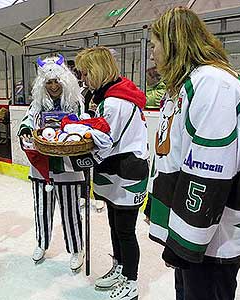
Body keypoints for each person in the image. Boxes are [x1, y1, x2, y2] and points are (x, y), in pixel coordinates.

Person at [147, 7, 240, 300]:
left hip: (213, 238)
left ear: (174, 42)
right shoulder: (186, 86)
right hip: (198, 232)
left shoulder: (213, 84)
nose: (152, 54)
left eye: (155, 45)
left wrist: (187, 242)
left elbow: (209, 169)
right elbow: (171, 157)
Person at [76, 46, 149, 300]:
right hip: (114, 169)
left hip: (128, 170)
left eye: (85, 73)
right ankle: (120, 267)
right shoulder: (109, 95)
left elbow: (106, 139)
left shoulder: (116, 101)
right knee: (114, 225)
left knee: (126, 230)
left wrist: (80, 141)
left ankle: (131, 281)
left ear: (96, 71)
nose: (83, 78)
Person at [18, 55, 85, 271]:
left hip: (68, 167)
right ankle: (41, 243)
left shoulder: (76, 104)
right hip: (42, 166)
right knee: (41, 209)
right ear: (42, 84)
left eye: (57, 81)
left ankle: (76, 248)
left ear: (65, 81)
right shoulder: (37, 104)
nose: (53, 86)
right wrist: (26, 130)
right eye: (49, 82)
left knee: (71, 210)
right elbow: (27, 121)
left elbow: (85, 125)